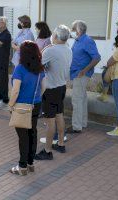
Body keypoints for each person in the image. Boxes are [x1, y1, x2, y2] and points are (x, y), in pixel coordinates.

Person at [35, 25, 72, 160]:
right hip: (61, 87)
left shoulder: (50, 50)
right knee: (59, 115)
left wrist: (44, 49)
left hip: (50, 89)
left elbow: (37, 64)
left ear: (55, 36)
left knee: (50, 122)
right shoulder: (68, 49)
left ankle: (47, 151)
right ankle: (61, 143)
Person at [8, 41, 45, 175]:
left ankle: (22, 166)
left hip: (21, 106)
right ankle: (30, 163)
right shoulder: (40, 68)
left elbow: (15, 90)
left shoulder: (20, 68)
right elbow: (44, 87)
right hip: (36, 104)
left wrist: (10, 105)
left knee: (23, 137)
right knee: (32, 133)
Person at [67, 20, 101, 134]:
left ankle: (76, 126)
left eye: (73, 29)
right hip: (76, 73)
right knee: (82, 98)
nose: (72, 31)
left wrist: (85, 70)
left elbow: (97, 58)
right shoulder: (78, 40)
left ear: (78, 30)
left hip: (81, 74)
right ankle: (82, 123)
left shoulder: (87, 40)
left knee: (76, 100)